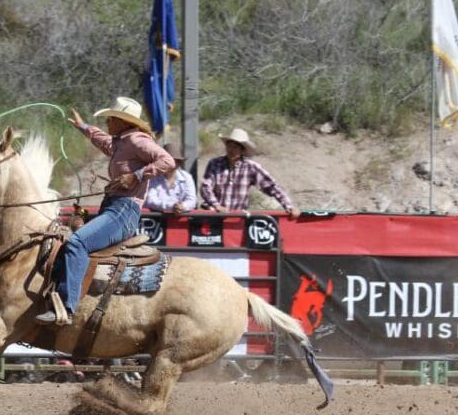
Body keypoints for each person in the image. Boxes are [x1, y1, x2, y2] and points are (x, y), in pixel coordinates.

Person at [36, 97, 175, 325]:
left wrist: (136, 176)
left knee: (77, 243)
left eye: (111, 118)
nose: (108, 122)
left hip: (123, 211)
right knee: (67, 244)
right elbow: (104, 142)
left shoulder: (137, 140)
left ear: (122, 121)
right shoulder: (122, 142)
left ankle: (66, 309)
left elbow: (167, 161)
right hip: (114, 209)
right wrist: (83, 127)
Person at [199, 127, 300, 218]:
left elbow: (271, 187)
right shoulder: (215, 163)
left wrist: (289, 206)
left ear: (242, 150)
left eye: (235, 147)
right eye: (229, 146)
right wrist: (216, 205)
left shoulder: (250, 167)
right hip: (213, 216)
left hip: (236, 217)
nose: (231, 150)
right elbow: (205, 187)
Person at [143, 143, 197, 213]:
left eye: (174, 161)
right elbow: (150, 200)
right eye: (166, 161)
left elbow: (192, 200)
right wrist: (172, 206)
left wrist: (183, 206)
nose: (170, 164)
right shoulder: (153, 177)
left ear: (179, 163)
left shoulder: (187, 177)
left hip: (182, 218)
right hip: (157, 219)